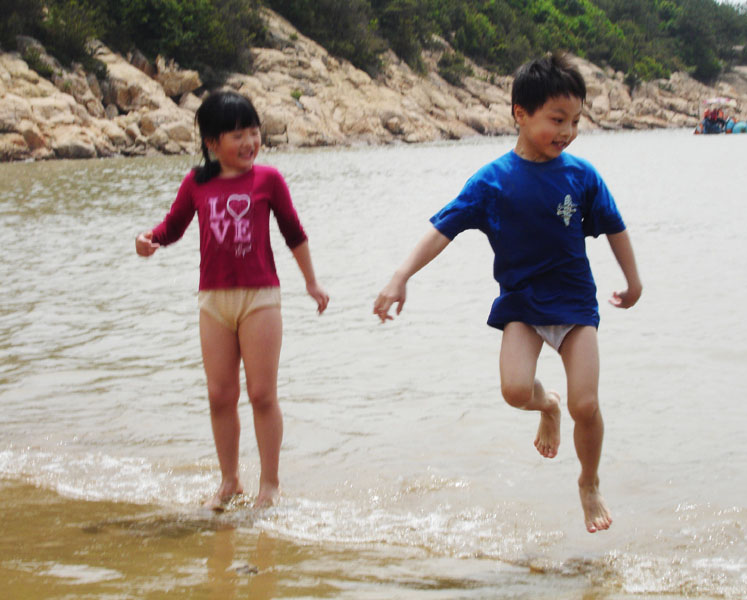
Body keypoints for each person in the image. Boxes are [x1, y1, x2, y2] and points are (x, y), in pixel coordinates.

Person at [373, 53, 642, 533]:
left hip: (576, 304)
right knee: (516, 391)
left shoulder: (581, 176)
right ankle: (548, 406)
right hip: (521, 304)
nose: (568, 132)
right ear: (521, 113)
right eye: (557, 120)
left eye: (576, 121)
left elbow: (615, 228)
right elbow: (442, 230)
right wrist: (401, 276)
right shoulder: (492, 182)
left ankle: (589, 481)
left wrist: (634, 279)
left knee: (588, 405)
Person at [136, 90, 329, 511]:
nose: (249, 143)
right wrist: (148, 240)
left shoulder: (268, 180)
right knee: (220, 395)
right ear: (211, 143)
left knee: (262, 394)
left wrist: (312, 283)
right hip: (213, 301)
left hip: (260, 297)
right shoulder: (196, 182)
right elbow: (172, 226)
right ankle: (229, 482)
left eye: (254, 133)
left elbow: (293, 232)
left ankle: (271, 486)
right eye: (238, 135)